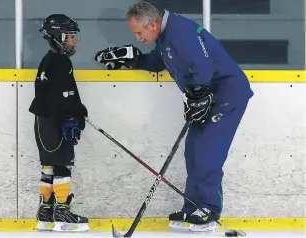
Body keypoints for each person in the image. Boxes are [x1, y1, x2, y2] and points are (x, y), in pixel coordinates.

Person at [95, 1, 253, 233]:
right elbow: (160, 62)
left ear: (153, 24)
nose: (138, 37)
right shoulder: (165, 35)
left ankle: (209, 210)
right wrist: (134, 60)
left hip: (226, 95)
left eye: (139, 33)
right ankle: (192, 207)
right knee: (194, 152)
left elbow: (203, 62)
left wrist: (199, 93)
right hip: (206, 97)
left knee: (209, 152)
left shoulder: (181, 32)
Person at [29, 13, 89, 232]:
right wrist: (73, 117)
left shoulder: (48, 59)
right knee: (63, 164)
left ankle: (46, 214)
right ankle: (62, 213)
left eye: (73, 37)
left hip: (43, 123)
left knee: (49, 166)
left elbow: (51, 95)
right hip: (56, 123)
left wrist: (76, 112)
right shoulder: (60, 61)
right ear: (56, 36)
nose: (72, 41)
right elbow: (64, 96)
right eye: (69, 36)